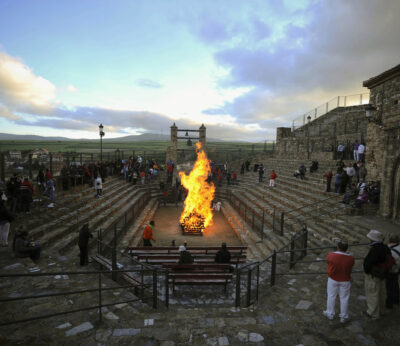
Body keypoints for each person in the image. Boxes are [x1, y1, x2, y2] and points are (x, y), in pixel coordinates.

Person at [363, 229, 392, 320]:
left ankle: (373, 313)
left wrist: (366, 270)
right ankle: (381, 310)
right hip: (382, 274)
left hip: (374, 274)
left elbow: (369, 263)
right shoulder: (385, 247)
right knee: (381, 293)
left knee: (372, 294)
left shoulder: (376, 249)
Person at [323, 241, 354, 323]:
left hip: (333, 278)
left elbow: (328, 261)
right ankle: (343, 316)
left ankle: (330, 313)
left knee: (331, 296)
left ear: (338, 247)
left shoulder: (331, 255)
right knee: (344, 298)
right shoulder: (350, 258)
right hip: (345, 279)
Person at [386, 234, 400, 309]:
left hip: (391, 270)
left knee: (389, 287)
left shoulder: (391, 251)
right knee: (395, 284)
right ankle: (396, 300)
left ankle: (389, 303)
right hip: (397, 269)